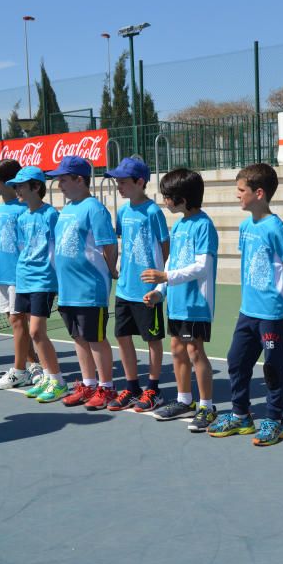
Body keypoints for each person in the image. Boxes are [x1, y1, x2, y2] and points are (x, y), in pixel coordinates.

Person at [205, 163, 283, 447]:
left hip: (271, 313)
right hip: (247, 311)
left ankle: (275, 420)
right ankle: (241, 415)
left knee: (272, 366)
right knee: (236, 360)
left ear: (258, 193)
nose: (237, 195)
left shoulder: (276, 228)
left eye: (241, 190)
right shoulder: (245, 226)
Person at [142, 168, 219, 428]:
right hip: (176, 302)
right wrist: (160, 292)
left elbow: (202, 267)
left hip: (195, 303)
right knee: (177, 350)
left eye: (168, 196)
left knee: (195, 351)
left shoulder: (204, 225)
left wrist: (166, 277)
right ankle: (184, 401)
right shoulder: (180, 224)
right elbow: (173, 261)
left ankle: (207, 407)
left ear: (183, 199)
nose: (165, 200)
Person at [46, 156, 120, 410]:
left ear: (80, 179)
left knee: (96, 338)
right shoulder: (66, 210)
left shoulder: (94, 208)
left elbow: (109, 244)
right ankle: (88, 384)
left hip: (90, 289)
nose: (59, 185)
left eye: (64, 180)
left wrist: (110, 271)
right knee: (78, 338)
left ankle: (107, 388)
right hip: (68, 290)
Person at [105, 157, 169, 413]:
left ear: (140, 182)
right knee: (121, 336)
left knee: (152, 340)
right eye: (117, 182)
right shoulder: (122, 211)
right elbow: (123, 242)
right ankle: (132, 388)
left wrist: (160, 286)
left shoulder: (154, 212)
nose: (119, 186)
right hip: (125, 289)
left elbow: (165, 248)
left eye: (123, 182)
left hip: (147, 290)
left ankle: (153, 389)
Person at [6, 166, 68, 403]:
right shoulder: (22, 217)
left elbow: (58, 251)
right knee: (29, 330)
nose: (17, 190)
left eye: (21, 185)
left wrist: (58, 279)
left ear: (36, 187)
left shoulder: (51, 215)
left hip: (43, 280)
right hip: (24, 279)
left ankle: (59, 382)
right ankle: (50, 379)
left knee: (36, 331)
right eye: (16, 185)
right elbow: (24, 249)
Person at [0, 159, 43, 390]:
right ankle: (34, 365)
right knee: (14, 321)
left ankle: (20, 369)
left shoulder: (25, 210)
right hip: (2, 273)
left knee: (19, 321)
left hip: (20, 276)